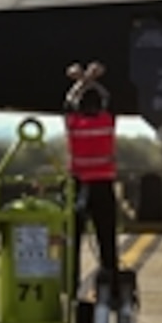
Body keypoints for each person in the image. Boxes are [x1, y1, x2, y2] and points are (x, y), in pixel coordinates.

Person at [63, 63, 119, 295]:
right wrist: (93, 79)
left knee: (72, 239)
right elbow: (110, 99)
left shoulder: (74, 125)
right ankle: (111, 282)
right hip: (103, 186)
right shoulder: (106, 122)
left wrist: (80, 81)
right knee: (106, 237)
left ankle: (70, 284)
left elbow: (68, 103)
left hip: (78, 186)